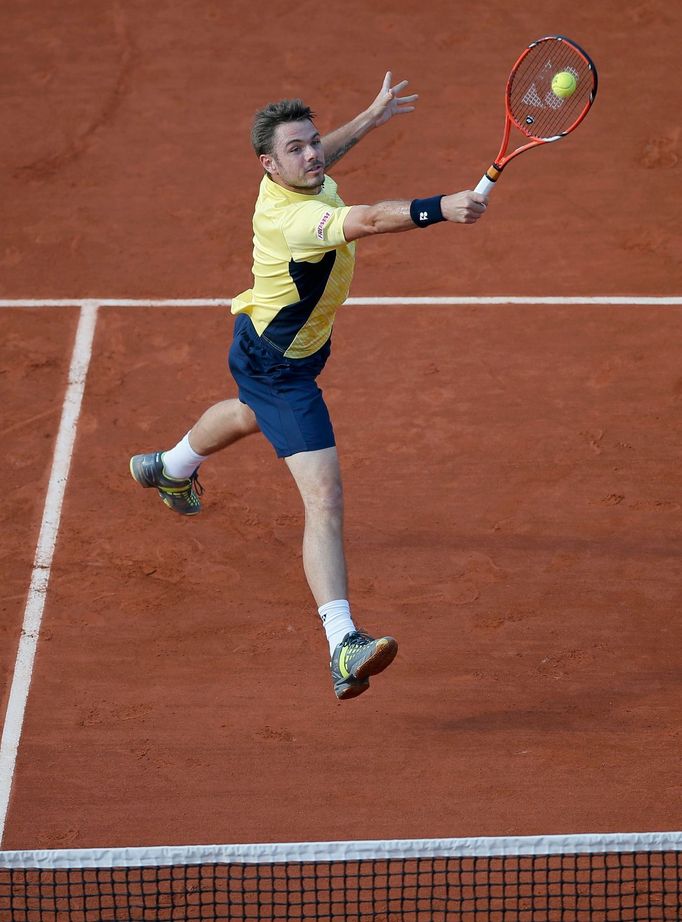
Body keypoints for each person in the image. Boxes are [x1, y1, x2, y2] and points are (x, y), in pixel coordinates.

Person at [130, 72, 488, 700]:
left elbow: (325, 161)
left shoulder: (301, 180)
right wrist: (441, 207)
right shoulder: (296, 224)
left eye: (313, 142)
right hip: (282, 368)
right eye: (295, 149)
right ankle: (342, 642)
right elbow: (374, 219)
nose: (313, 154)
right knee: (324, 499)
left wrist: (369, 120)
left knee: (248, 415)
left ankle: (169, 466)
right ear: (268, 164)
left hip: (265, 345)